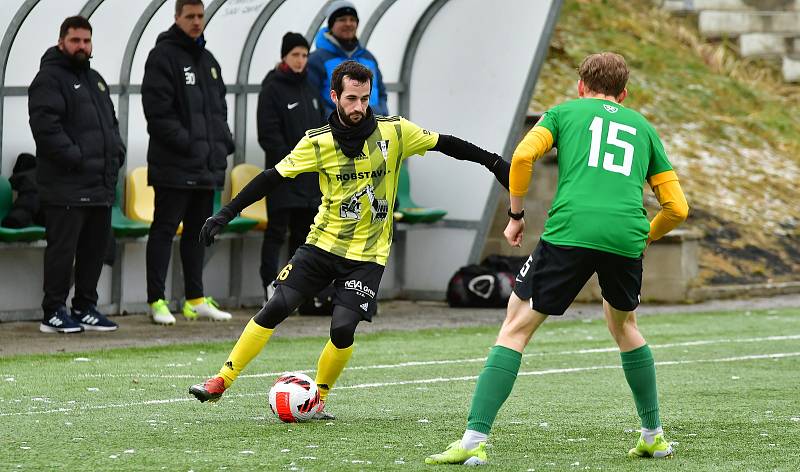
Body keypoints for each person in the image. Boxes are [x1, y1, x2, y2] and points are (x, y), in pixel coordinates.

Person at [188, 61, 510, 417]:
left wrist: (494, 162)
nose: (359, 107)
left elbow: (446, 143)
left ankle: (319, 397)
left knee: (342, 329)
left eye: (365, 99)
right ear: (335, 96)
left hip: (368, 255)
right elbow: (271, 177)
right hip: (322, 244)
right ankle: (222, 379)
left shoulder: (395, 132)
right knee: (277, 306)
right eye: (352, 99)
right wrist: (226, 212)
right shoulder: (317, 142)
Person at [425, 52, 689, 465]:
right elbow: (677, 208)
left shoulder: (563, 113)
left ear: (581, 86)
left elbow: (524, 157)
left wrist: (516, 216)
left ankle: (473, 440)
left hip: (570, 232)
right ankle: (653, 435)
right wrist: (643, 239)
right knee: (625, 327)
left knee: (514, 328)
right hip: (625, 236)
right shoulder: (644, 128)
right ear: (624, 94)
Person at [28, 16, 124, 334]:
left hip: (99, 184)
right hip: (65, 185)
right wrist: (77, 159)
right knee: (62, 250)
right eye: (75, 40)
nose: (82, 46)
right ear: (62, 42)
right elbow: (46, 128)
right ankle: (53, 311)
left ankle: (85, 307)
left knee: (93, 250)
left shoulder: (95, 80)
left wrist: (116, 153)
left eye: (86, 40)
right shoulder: (49, 79)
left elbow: (110, 125)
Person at [141, 0, 233, 325]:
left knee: (198, 232)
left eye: (200, 16)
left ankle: (195, 299)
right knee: (164, 230)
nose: (197, 22)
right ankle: (157, 301)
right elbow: (157, 114)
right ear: (177, 18)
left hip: (206, 165)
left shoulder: (209, 61)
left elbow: (219, 112)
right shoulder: (162, 57)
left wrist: (223, 143)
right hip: (174, 164)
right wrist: (191, 145)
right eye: (190, 16)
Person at [256, 32, 326, 301]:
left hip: (309, 178)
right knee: (276, 232)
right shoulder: (272, 87)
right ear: (284, 56)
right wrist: (290, 164)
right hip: (283, 176)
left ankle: (294, 287)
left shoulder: (309, 87)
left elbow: (320, 130)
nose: (300, 61)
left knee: (302, 235)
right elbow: (268, 135)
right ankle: (269, 286)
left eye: (305, 55)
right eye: (295, 55)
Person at [308, 0, 388, 116]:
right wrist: (337, 122)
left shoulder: (368, 57)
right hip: (338, 131)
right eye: (342, 19)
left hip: (374, 126)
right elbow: (313, 100)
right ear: (331, 25)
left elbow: (381, 92)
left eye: (352, 20)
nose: (348, 24)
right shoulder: (317, 59)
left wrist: (382, 114)